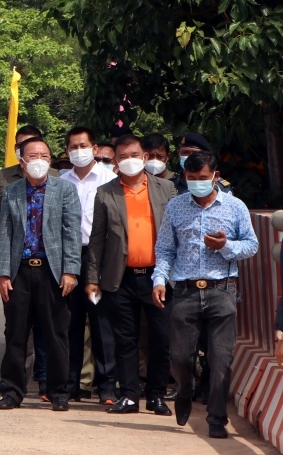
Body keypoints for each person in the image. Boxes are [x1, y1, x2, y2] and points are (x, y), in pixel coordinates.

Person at [155, 151, 258, 440]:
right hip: (185, 290)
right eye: (191, 179)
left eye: (203, 178)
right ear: (185, 178)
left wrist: (226, 246)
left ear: (215, 176)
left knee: (221, 357)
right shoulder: (175, 207)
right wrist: (159, 279)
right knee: (179, 356)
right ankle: (185, 390)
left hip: (222, 289)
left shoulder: (235, 207)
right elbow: (164, 249)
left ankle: (216, 418)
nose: (197, 183)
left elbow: (251, 245)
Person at [87, 134, 176, 415]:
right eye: (122, 157)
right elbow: (96, 240)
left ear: (145, 157)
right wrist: (92, 278)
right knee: (125, 340)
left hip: (158, 277)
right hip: (120, 278)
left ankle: (157, 395)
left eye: (134, 155)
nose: (129, 161)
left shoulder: (167, 189)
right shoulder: (106, 193)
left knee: (160, 339)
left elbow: (175, 235)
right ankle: (128, 395)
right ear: (114, 161)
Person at [0, 136, 81, 411]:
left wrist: (70, 270)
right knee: (16, 334)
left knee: (56, 334)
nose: (39, 161)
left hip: (52, 272)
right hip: (20, 271)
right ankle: (12, 391)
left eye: (44, 156)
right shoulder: (12, 191)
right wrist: (3, 273)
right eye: (33, 156)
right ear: (22, 161)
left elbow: (72, 233)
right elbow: (5, 233)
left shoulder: (65, 190)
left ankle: (58, 392)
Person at [57, 127, 117, 405]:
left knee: (101, 321)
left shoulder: (111, 180)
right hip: (69, 257)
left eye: (83, 145)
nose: (78, 151)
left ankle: (106, 386)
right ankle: (70, 384)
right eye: (72, 147)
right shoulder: (60, 181)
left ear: (95, 149)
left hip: (99, 259)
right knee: (71, 323)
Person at [0, 125, 57, 192]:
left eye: (30, 145)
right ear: (15, 148)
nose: (24, 148)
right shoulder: (2, 177)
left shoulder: (57, 176)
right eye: (20, 145)